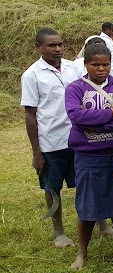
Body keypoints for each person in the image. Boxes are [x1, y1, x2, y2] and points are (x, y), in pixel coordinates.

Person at [65, 43, 113, 269]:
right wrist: (111, 114)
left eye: (105, 64)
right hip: (88, 157)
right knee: (87, 205)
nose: (101, 69)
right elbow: (77, 116)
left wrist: (98, 121)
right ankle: (82, 252)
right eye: (95, 64)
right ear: (86, 64)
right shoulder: (75, 88)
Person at [22, 28, 81, 248]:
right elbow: (30, 114)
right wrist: (36, 152)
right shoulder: (32, 75)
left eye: (60, 44)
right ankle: (59, 232)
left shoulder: (73, 68)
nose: (57, 49)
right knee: (52, 188)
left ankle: (100, 222)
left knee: (85, 182)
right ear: (38, 47)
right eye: (51, 45)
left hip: (78, 138)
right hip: (51, 142)